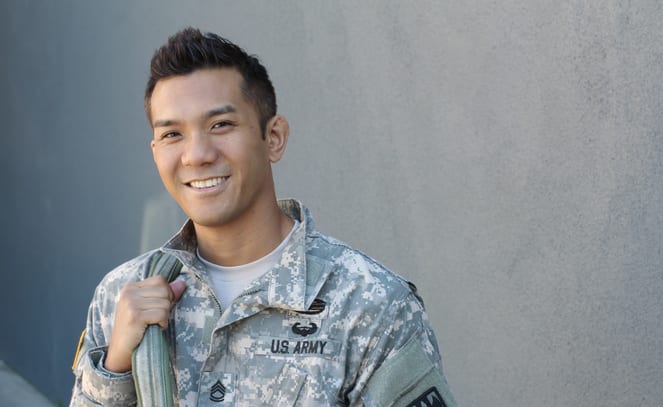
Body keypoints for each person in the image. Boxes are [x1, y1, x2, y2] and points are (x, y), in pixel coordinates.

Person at [70, 27, 456, 407]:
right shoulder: (122, 295)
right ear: (155, 151)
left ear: (273, 138)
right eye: (173, 135)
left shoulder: (369, 305)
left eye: (220, 125)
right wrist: (115, 370)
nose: (197, 155)